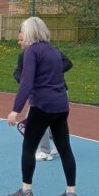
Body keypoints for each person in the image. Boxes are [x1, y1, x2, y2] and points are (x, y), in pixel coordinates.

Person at [7, 17, 80, 196]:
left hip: (42, 106)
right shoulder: (54, 50)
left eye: (23, 30)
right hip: (61, 106)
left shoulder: (32, 51)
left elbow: (26, 82)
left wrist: (16, 110)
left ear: (29, 31)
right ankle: (71, 193)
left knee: (28, 148)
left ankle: (26, 191)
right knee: (65, 149)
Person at [13, 30, 73, 161]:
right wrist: (25, 80)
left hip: (58, 92)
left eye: (20, 39)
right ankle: (55, 145)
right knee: (45, 122)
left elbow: (68, 63)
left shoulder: (52, 51)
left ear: (29, 37)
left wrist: (51, 72)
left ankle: (45, 151)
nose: (18, 42)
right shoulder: (23, 56)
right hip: (39, 94)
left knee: (43, 121)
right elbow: (18, 72)